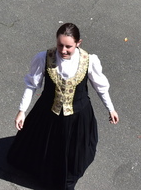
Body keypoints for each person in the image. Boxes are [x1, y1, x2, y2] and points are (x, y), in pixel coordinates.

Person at [7, 22, 118, 190]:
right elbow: (31, 85)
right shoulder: (44, 57)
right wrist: (22, 111)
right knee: (45, 147)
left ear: (78, 43)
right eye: (60, 45)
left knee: (71, 152)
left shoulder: (89, 60)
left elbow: (100, 87)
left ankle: (65, 179)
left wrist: (110, 108)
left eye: (69, 46)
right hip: (48, 113)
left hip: (77, 115)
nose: (63, 50)